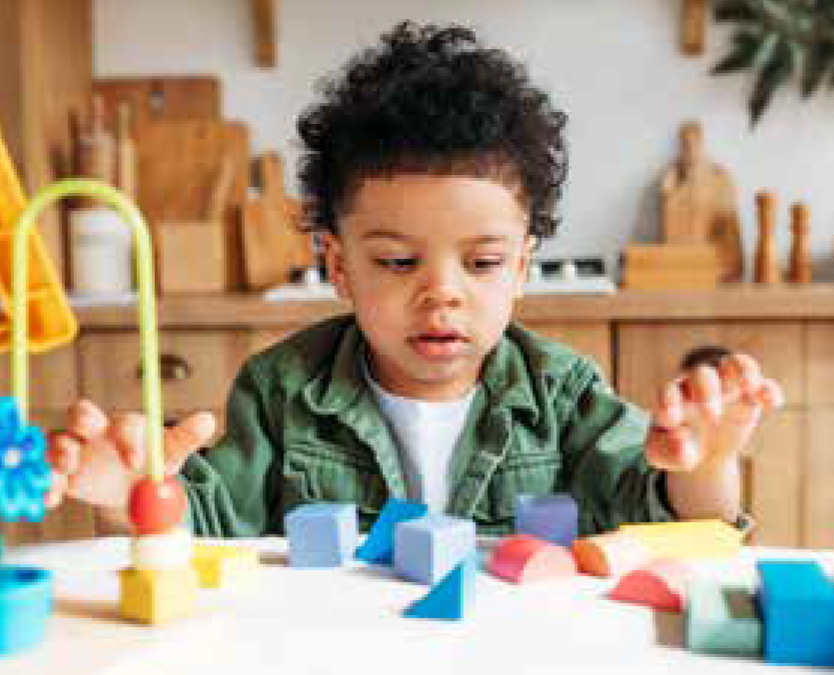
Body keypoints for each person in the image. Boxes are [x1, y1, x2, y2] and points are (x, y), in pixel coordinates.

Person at [46, 21, 782, 538]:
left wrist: (710, 465)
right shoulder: (279, 393)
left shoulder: (565, 397)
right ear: (336, 263)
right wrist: (128, 495)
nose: (442, 293)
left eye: (484, 262)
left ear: (522, 265)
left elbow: (677, 522)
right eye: (398, 261)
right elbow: (200, 523)